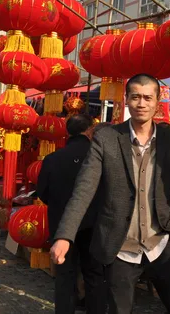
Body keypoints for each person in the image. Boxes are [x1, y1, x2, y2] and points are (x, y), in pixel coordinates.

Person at [51, 73, 170, 314]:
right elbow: (84, 189)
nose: (141, 103)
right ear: (126, 99)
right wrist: (65, 235)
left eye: (148, 98)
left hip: (160, 245)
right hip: (120, 249)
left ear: (157, 101)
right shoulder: (107, 138)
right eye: (135, 96)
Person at [36, 115, 107, 314]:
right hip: (94, 224)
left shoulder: (53, 158)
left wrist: (60, 205)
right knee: (94, 273)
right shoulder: (98, 156)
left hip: (61, 225)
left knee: (65, 275)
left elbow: (42, 191)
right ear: (90, 130)